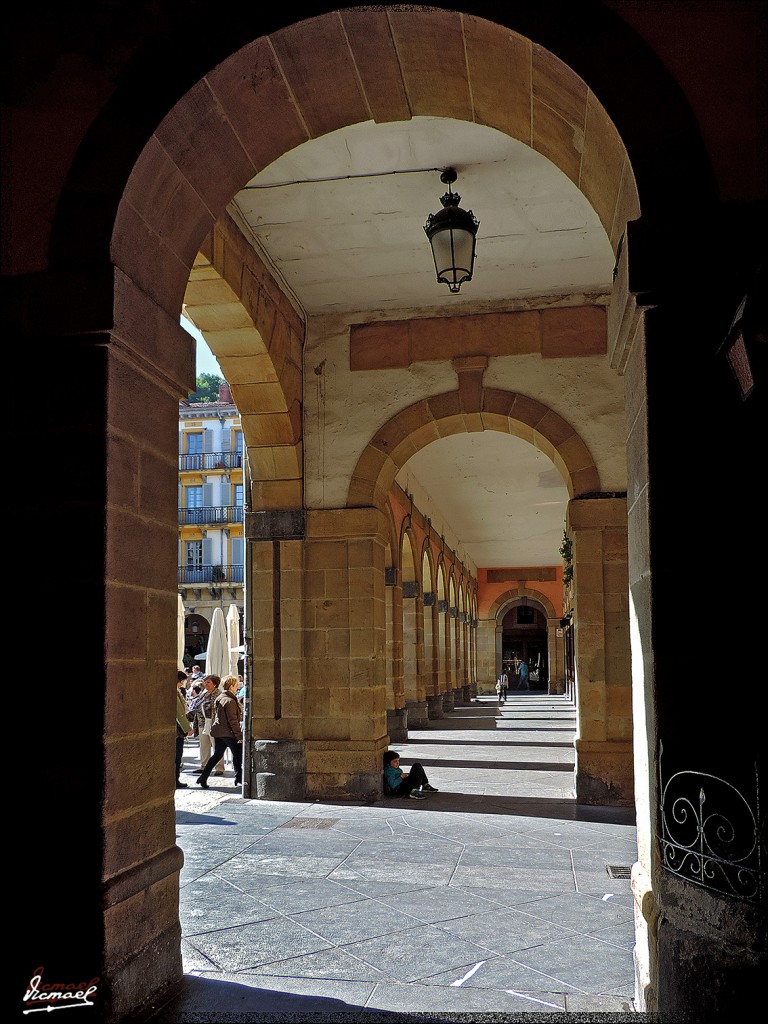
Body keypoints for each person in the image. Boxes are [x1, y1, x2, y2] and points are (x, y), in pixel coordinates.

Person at [196, 675, 243, 789]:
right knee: (237, 755)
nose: (237, 687)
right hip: (228, 733)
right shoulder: (229, 700)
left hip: (219, 731)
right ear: (231, 686)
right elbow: (232, 720)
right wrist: (239, 735)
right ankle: (239, 778)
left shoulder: (221, 697)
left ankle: (203, 777)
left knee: (217, 755)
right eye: (236, 685)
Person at [175, 677, 191, 789]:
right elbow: (179, 712)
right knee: (177, 756)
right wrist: (187, 728)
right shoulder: (174, 692)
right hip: (176, 731)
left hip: (176, 730)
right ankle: (175, 779)